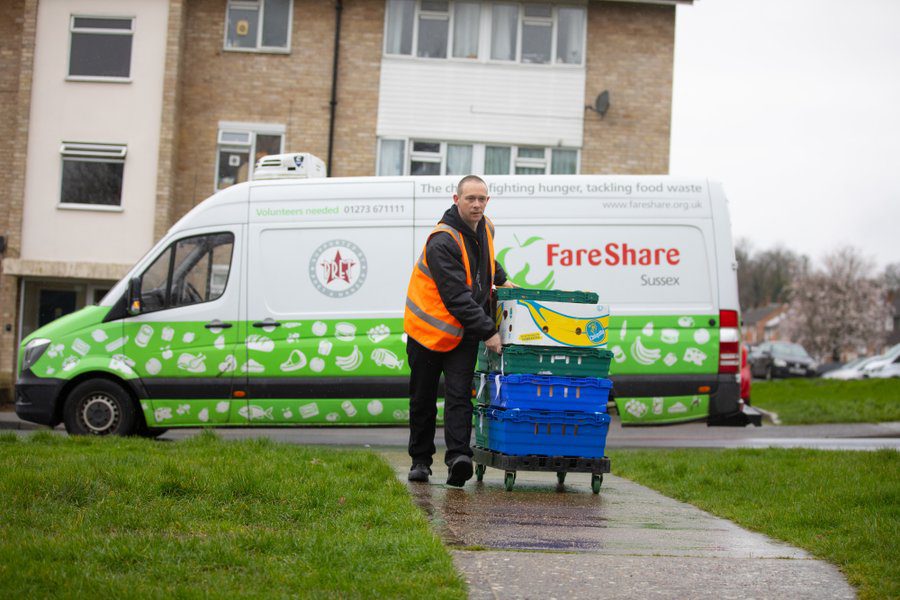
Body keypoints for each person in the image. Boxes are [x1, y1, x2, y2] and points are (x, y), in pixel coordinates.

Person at [403, 175, 513, 487]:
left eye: (482, 199)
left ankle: (458, 459)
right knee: (423, 399)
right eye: (470, 199)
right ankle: (420, 462)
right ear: (456, 200)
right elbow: (456, 296)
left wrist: (502, 279)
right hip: (427, 330)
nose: (477, 204)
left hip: (462, 330)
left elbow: (486, 259)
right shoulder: (442, 240)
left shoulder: (486, 227)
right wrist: (489, 331)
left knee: (459, 397)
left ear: (487, 201)